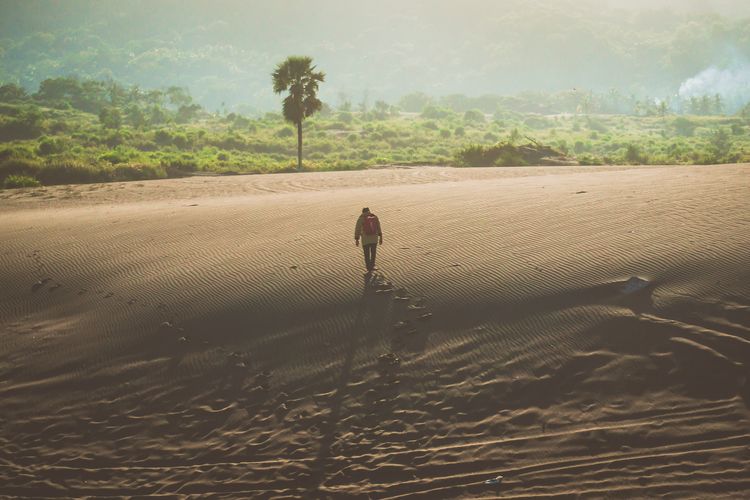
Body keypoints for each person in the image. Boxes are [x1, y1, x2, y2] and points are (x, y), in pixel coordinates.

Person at [354, 207, 383, 273]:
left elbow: (357, 229)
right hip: (374, 239)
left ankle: (368, 268)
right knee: (373, 253)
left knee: (366, 254)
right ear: (369, 211)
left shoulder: (361, 218)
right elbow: (378, 227)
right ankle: (372, 266)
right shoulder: (374, 217)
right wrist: (381, 237)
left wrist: (357, 239)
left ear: (363, 212)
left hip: (365, 240)